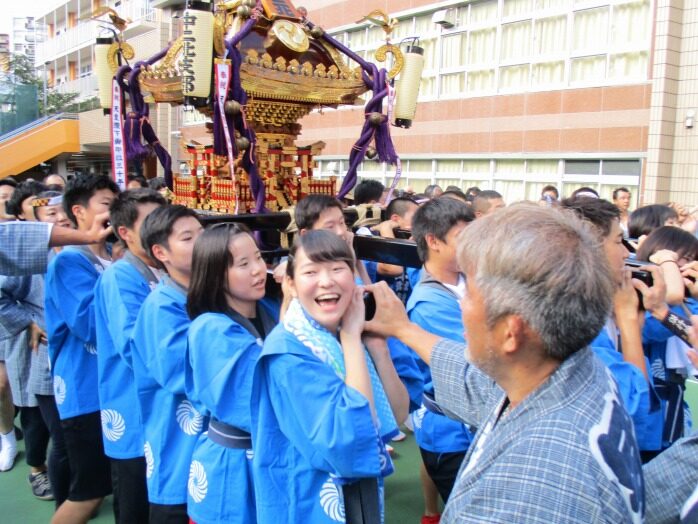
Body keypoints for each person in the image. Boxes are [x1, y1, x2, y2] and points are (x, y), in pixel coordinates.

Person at [365, 203, 644, 523]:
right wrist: (405, 329)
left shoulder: (524, 489)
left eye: (470, 294)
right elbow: (478, 384)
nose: (462, 302)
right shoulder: (580, 371)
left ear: (510, 332)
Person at [252, 230, 408, 523]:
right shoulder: (290, 352)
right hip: (313, 498)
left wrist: (377, 348)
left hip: (354, 494)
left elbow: (396, 415)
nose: (327, 281)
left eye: (338, 268)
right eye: (311, 271)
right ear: (291, 283)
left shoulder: (339, 331)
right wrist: (351, 338)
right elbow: (351, 439)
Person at [185, 223, 278, 524]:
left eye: (259, 258)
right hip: (232, 462)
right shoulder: (211, 328)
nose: (258, 269)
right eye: (243, 264)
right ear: (216, 274)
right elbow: (260, 397)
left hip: (268, 455)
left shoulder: (270, 309)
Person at [390, 198, 475, 523]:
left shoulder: (465, 280)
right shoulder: (429, 303)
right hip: (451, 430)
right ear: (433, 242)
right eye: (462, 239)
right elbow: (471, 363)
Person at [561, 197, 665, 460]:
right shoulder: (576, 320)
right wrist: (628, 323)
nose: (627, 254)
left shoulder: (604, 303)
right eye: (619, 241)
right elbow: (633, 405)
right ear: (590, 248)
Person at [44, 174, 119, 524]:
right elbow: (89, 323)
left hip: (112, 391)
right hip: (86, 392)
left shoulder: (110, 259)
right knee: (87, 496)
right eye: (106, 204)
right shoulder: (69, 261)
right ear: (79, 211)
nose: (115, 212)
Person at [94, 189, 167, 524]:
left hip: (158, 415)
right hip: (134, 413)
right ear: (124, 232)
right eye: (151, 222)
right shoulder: (122, 275)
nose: (161, 229)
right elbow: (134, 348)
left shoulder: (161, 269)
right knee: (135, 510)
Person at [130, 205, 205, 523]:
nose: (202, 243)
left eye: (203, 234)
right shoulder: (162, 306)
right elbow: (188, 376)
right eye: (189, 238)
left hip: (206, 458)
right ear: (161, 252)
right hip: (179, 454)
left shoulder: (205, 294)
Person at [637, 226, 698, 451]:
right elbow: (658, 328)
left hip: (672, 398)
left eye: (691, 259)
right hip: (652, 401)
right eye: (680, 259)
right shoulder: (642, 301)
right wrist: (667, 265)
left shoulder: (688, 302)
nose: (686, 266)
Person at [0, 217, 113, 277]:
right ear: (78, 211)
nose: (61, 217)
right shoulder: (67, 259)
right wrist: (27, 322)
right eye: (105, 203)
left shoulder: (113, 250)